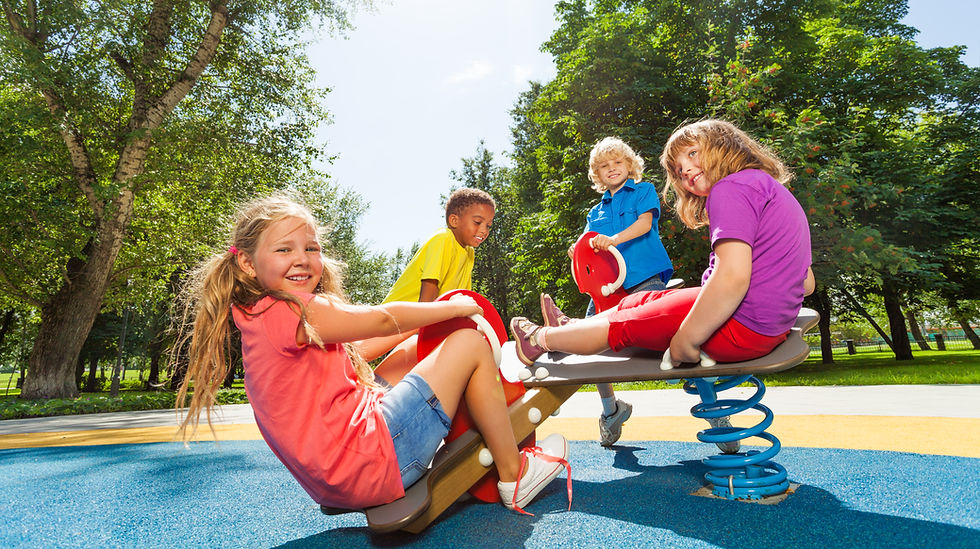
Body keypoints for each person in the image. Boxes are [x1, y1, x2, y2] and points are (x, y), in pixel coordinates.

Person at [174, 193, 568, 515]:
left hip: (337, 480)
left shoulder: (258, 314)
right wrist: (454, 309)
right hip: (375, 464)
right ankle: (514, 475)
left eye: (311, 247)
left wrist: (425, 328)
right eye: (284, 249)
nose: (302, 258)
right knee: (468, 342)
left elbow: (358, 350)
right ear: (246, 263)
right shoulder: (295, 309)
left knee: (416, 346)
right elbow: (382, 320)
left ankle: (462, 434)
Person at [513, 120, 815, 442]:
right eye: (679, 169)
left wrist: (688, 337)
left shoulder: (729, 189)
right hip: (765, 325)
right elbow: (806, 282)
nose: (685, 170)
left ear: (725, 145)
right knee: (637, 303)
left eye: (692, 154)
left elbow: (732, 278)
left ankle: (540, 338)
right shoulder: (769, 188)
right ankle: (569, 326)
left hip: (741, 323)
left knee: (627, 323)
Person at [543, 137, 673, 447]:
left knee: (670, 340)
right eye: (604, 166)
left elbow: (644, 225)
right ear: (597, 175)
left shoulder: (643, 191)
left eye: (617, 163)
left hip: (644, 279)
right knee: (586, 346)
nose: (611, 169)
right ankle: (610, 410)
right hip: (606, 289)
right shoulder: (595, 212)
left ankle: (714, 410)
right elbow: (586, 246)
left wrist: (613, 239)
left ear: (630, 166)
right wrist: (578, 248)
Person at [356, 187, 496, 383]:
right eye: (478, 222)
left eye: (489, 225)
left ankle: (380, 388)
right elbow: (429, 287)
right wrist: (427, 321)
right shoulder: (443, 239)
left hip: (421, 320)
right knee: (355, 356)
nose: (484, 230)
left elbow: (461, 296)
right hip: (398, 317)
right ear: (454, 220)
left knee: (426, 350)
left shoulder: (468, 253)